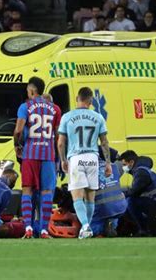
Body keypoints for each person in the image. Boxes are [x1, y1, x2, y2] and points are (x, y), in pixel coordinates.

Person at [57, 87, 112, 239]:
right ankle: (86, 227)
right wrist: (107, 163)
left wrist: (63, 160)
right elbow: (104, 142)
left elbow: (61, 143)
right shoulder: (98, 117)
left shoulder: (67, 117)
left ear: (77, 98)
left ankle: (86, 226)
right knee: (90, 197)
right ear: (90, 101)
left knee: (77, 196)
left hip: (76, 157)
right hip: (92, 157)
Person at [13, 77, 61, 239]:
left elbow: (18, 130)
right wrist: (58, 157)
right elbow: (57, 136)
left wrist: (17, 147)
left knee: (27, 190)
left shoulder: (25, 107)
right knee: (47, 191)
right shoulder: (55, 109)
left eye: (28, 90)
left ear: (32, 90)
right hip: (48, 155)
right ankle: (44, 230)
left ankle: (28, 227)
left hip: (30, 154)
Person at [119, 150, 156, 236]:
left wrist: (123, 194)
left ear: (131, 162)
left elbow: (135, 191)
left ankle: (144, 229)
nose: (123, 167)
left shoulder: (141, 172)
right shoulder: (141, 170)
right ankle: (134, 229)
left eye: (124, 164)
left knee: (130, 202)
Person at [91, 147, 127, 237]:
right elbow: (118, 158)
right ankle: (112, 225)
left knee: (92, 222)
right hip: (120, 206)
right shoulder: (115, 167)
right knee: (113, 213)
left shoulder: (90, 169)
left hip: (101, 207)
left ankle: (99, 231)